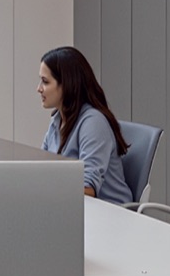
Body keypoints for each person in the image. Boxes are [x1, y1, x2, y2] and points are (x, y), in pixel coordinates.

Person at [38, 45, 132, 203]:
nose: (39, 89)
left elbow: (88, 190)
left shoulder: (93, 123)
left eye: (45, 82)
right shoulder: (57, 120)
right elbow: (41, 170)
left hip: (109, 215)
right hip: (72, 209)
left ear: (66, 84)